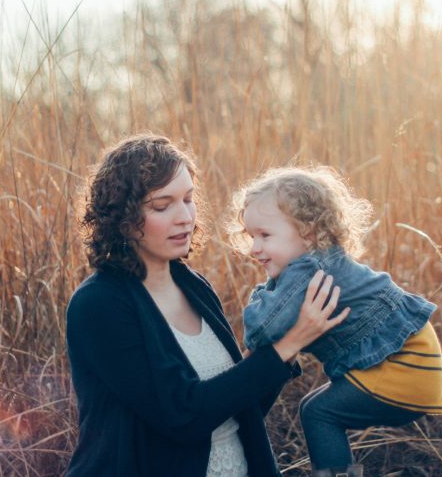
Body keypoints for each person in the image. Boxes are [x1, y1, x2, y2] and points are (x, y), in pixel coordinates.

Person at [65, 135, 349, 477]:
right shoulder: (99, 304)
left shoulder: (193, 285)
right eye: (162, 205)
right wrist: (288, 344)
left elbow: (239, 409)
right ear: (122, 218)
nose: (184, 216)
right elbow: (182, 416)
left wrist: (290, 338)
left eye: (188, 199)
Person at [230, 166, 442, 477]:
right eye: (251, 236)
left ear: (307, 231)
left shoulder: (306, 270)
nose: (254, 248)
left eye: (265, 235)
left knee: (320, 414)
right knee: (312, 408)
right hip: (415, 360)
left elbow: (262, 329)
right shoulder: (321, 262)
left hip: (404, 366)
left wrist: (262, 295)